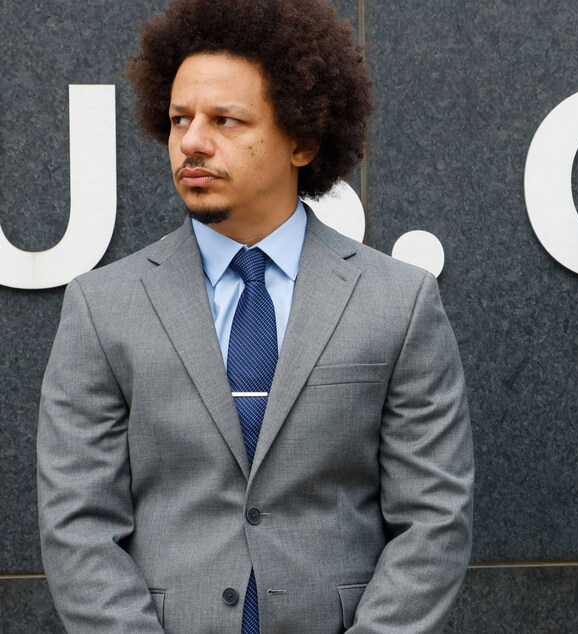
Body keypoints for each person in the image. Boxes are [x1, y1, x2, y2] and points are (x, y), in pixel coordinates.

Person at [36, 1, 474, 632]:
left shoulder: (398, 303)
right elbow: (78, 527)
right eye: (180, 118)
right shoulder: (103, 307)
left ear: (303, 139)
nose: (191, 141)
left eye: (226, 120)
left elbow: (434, 519)